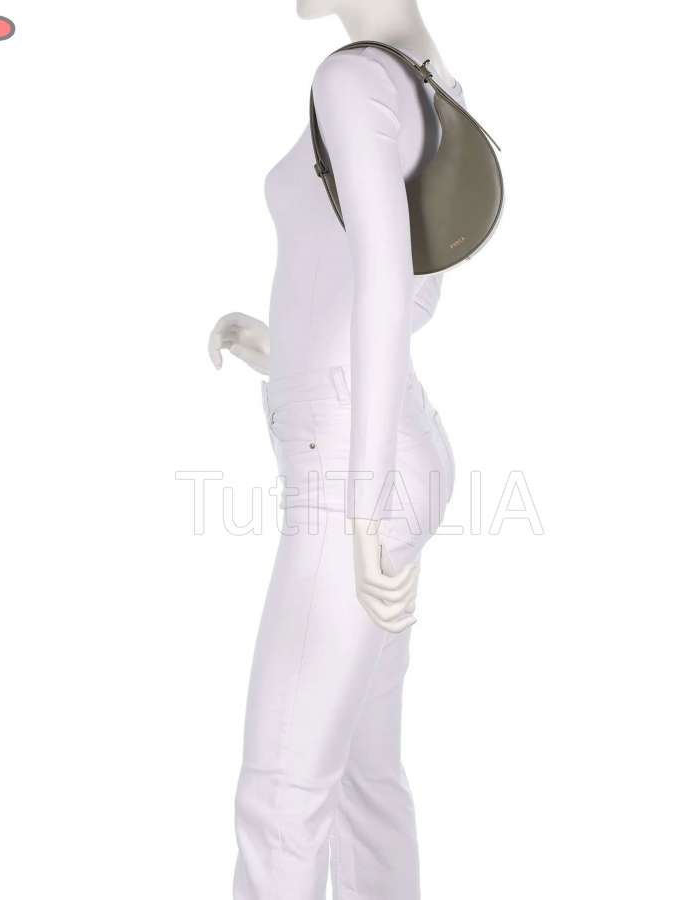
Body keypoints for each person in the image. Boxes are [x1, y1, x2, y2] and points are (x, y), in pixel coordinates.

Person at [208, 2, 465, 897]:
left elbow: (389, 287)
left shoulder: (352, 78)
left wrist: (363, 503)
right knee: (362, 777)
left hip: (353, 468)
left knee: (282, 793)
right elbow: (394, 286)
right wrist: (281, 349)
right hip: (385, 437)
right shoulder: (430, 78)